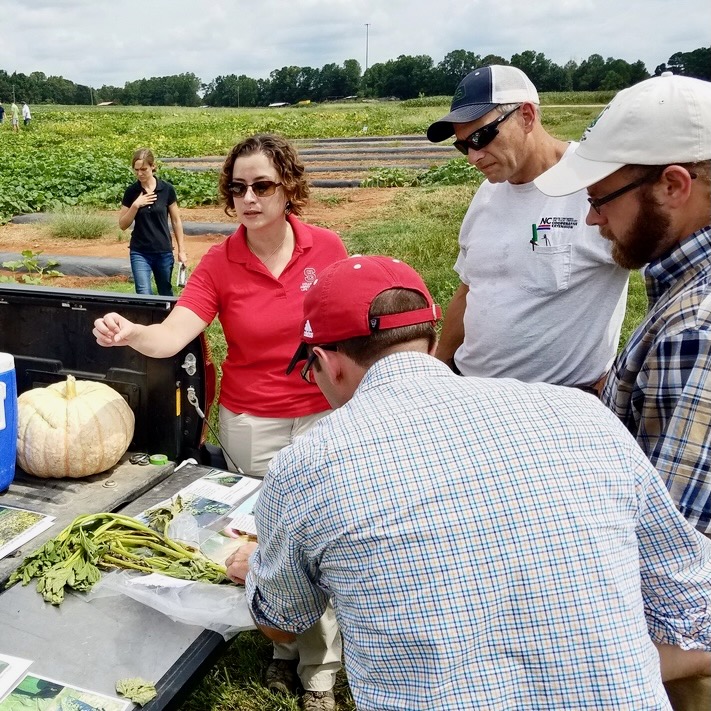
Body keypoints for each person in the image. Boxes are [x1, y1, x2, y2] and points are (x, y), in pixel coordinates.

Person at [226, 254, 711, 711]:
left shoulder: (306, 464)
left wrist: (255, 570)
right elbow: (688, 596)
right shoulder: (583, 414)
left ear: (327, 361)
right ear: (432, 344)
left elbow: (283, 626)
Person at [94, 133, 348, 711]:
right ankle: (282, 647)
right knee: (266, 542)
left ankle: (320, 674)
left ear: (289, 189)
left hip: (322, 418)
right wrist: (135, 335)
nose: (249, 198)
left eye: (262, 185)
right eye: (238, 188)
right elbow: (175, 332)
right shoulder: (220, 262)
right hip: (249, 420)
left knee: (320, 543)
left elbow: (351, 323)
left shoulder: (327, 249)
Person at [534, 73, 711, 539]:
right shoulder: (682, 292)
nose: (592, 218)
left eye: (599, 199)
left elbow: (676, 553)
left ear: (673, 186)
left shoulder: (695, 332)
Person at [426, 65, 629, 391]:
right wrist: (441, 366)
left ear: (527, 116)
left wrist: (619, 379)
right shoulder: (489, 192)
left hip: (558, 405)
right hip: (471, 391)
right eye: (463, 146)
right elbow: (469, 289)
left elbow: (667, 284)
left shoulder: (595, 183)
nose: (473, 157)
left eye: (481, 137)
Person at [119, 148, 187, 296]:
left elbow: (176, 221)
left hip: (163, 251)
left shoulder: (167, 189)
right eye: (136, 170)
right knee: (144, 294)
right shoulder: (132, 192)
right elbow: (122, 225)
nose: (139, 174)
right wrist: (136, 205)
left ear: (153, 166)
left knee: (165, 292)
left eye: (144, 169)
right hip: (140, 251)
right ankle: (146, 320)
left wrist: (182, 251)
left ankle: (166, 319)